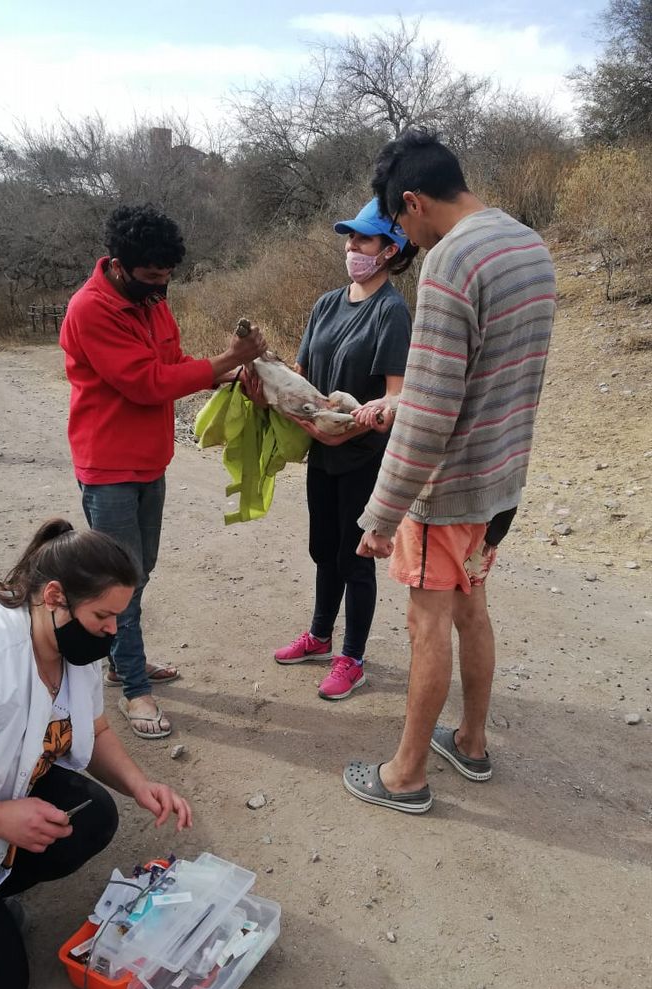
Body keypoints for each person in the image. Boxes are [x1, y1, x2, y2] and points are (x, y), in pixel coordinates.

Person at [0, 518, 192, 989]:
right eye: (103, 616)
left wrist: (140, 784)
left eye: (119, 616)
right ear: (54, 595)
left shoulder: (67, 641)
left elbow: (91, 729)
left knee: (91, 813)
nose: (113, 631)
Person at [343, 129, 556, 815]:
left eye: (399, 225)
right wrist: (398, 399)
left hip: (449, 490)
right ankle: (470, 738)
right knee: (473, 607)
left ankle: (405, 774)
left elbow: (434, 419)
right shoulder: (528, 246)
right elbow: (484, 374)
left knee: (426, 619)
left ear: (412, 202)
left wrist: (380, 515)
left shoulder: (450, 264)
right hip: (501, 485)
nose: (405, 241)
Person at [60, 204, 266, 740]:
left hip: (150, 459)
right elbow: (148, 383)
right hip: (108, 465)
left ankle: (119, 658)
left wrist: (230, 376)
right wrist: (226, 359)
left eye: (166, 278)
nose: (160, 288)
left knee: (140, 569)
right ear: (121, 265)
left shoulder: (150, 301)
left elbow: (172, 365)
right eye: (151, 277)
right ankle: (133, 688)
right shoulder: (91, 309)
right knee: (119, 578)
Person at [270, 198, 416, 701]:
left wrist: (344, 431)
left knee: (355, 559)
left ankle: (351, 657)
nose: (351, 246)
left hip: (362, 457)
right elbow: (304, 375)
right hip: (322, 449)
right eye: (349, 238)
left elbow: (395, 397)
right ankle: (319, 635)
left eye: (363, 239)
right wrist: (265, 377)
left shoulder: (392, 312)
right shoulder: (327, 303)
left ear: (389, 250)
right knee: (324, 550)